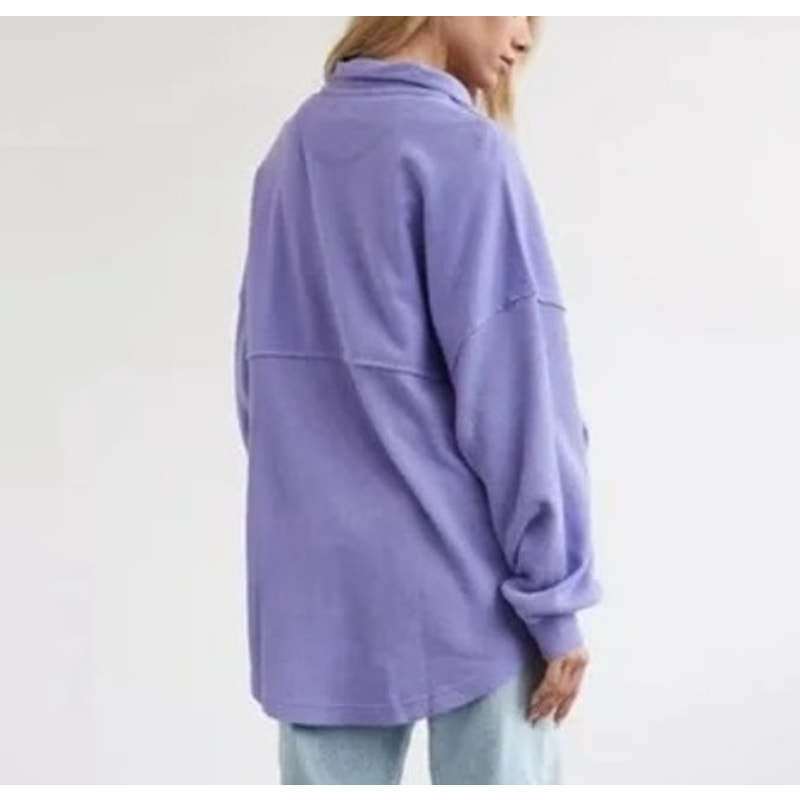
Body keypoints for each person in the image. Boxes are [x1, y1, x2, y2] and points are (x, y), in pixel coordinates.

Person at [233, 16, 603, 784]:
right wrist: (554, 597)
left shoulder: (290, 151)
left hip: (316, 599)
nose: (526, 35)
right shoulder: (466, 150)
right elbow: (520, 397)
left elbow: (257, 391)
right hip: (474, 588)